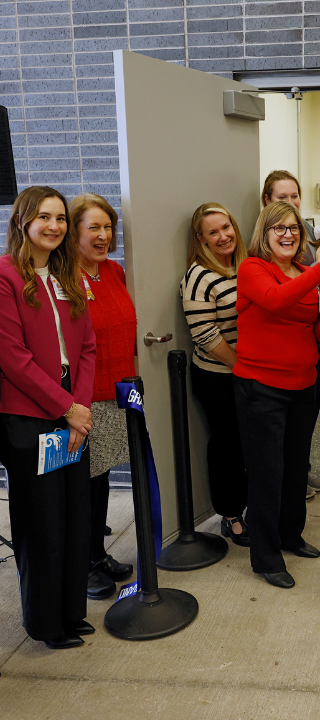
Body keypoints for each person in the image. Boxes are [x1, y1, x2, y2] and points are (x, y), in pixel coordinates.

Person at [0, 186, 97, 648]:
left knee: (76, 518)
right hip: (28, 417)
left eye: (61, 218)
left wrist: (79, 406)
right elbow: (12, 358)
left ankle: (70, 611)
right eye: (44, 217)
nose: (55, 226)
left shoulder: (69, 276)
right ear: (22, 221)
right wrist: (65, 408)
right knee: (42, 526)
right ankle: (44, 623)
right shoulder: (3, 276)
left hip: (71, 414)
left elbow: (88, 348)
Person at [233, 200, 320, 589]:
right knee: (267, 473)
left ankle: (290, 535)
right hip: (261, 388)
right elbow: (276, 301)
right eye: (278, 228)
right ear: (264, 233)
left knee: (296, 467)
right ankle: (265, 556)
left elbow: (316, 332)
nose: (288, 234)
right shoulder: (252, 269)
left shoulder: (302, 271)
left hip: (302, 386)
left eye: (294, 228)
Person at [69, 193, 136, 600]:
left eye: (108, 226)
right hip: (81, 400)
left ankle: (96, 554)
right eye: (93, 227)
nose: (103, 235)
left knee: (101, 480)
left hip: (115, 393)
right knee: (80, 487)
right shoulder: (63, 278)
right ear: (74, 231)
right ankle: (82, 563)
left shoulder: (113, 271)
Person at [181, 203, 250, 548]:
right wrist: (241, 368)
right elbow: (205, 334)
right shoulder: (199, 276)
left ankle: (249, 504)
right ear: (201, 239)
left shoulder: (246, 264)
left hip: (249, 372)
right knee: (227, 445)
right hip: (219, 376)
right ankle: (231, 515)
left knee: (248, 443)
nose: (223, 236)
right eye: (213, 232)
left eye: (227, 227)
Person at [262, 169, 320, 497]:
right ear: (266, 202)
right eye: (281, 198)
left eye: (295, 196)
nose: (291, 203)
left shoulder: (309, 232)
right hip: (281, 358)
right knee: (282, 427)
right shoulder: (260, 257)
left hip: (315, 341)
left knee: (309, 412)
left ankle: (300, 467)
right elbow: (278, 299)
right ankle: (291, 476)